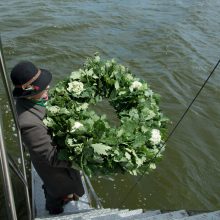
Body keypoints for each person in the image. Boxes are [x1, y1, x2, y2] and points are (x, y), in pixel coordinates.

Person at [10, 61, 85, 215]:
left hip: (46, 153)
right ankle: (53, 209)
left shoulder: (34, 99)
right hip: (53, 170)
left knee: (56, 188)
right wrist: (84, 156)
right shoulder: (28, 123)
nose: (48, 87)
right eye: (43, 86)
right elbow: (52, 157)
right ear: (29, 93)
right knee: (56, 191)